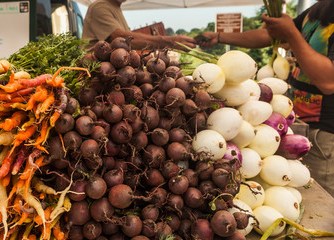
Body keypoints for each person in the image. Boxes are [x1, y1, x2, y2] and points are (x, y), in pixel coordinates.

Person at [198, 0, 334, 196]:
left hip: (326, 134)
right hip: (302, 124)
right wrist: (219, 37)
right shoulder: (316, 11)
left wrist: (292, 34)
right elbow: (269, 35)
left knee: (323, 199)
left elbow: (328, 81)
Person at [82, 0, 196, 51]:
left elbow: (130, 40)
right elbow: (121, 39)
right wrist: (171, 42)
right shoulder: (100, 6)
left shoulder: (116, 7)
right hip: (96, 73)